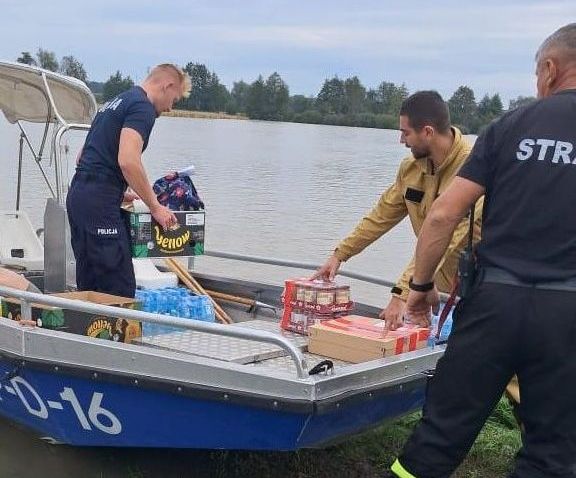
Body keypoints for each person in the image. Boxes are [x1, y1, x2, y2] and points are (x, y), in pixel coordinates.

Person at [390, 23, 576, 478]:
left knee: (439, 435)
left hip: (492, 305)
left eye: (537, 73)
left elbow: (442, 215)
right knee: (553, 452)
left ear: (551, 69)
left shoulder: (512, 125)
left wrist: (419, 287)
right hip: (567, 314)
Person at [312, 91, 482, 326]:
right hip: (429, 289)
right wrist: (339, 254)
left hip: (473, 294)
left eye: (405, 133)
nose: (401, 141)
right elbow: (380, 216)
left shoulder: (474, 169)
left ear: (428, 132)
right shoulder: (411, 168)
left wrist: (402, 293)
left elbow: (449, 235)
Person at [66, 64, 191, 298]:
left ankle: (87, 332)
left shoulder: (116, 102)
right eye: (173, 100)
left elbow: (83, 156)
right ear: (168, 85)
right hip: (99, 203)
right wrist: (155, 206)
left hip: (79, 194)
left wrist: (115, 189)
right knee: (118, 288)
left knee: (90, 284)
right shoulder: (142, 107)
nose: (171, 108)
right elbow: (128, 160)